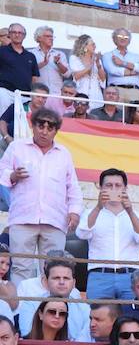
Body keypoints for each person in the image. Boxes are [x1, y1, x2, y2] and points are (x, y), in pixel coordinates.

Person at [0, 107, 81, 284]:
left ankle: (51, 311)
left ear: (56, 131)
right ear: (33, 126)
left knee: (54, 267)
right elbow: (1, 173)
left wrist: (74, 212)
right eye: (40, 126)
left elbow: (72, 186)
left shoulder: (64, 154)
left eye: (50, 127)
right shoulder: (17, 147)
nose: (44, 131)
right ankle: (22, 311)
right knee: (21, 267)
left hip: (54, 219)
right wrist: (13, 176)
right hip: (23, 218)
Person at [76, 167, 139, 302]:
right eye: (108, 185)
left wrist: (130, 212)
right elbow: (82, 233)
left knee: (131, 318)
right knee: (97, 317)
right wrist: (99, 207)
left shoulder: (138, 215)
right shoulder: (90, 213)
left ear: (125, 188)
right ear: (100, 188)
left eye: (118, 186)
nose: (113, 189)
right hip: (100, 275)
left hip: (130, 276)